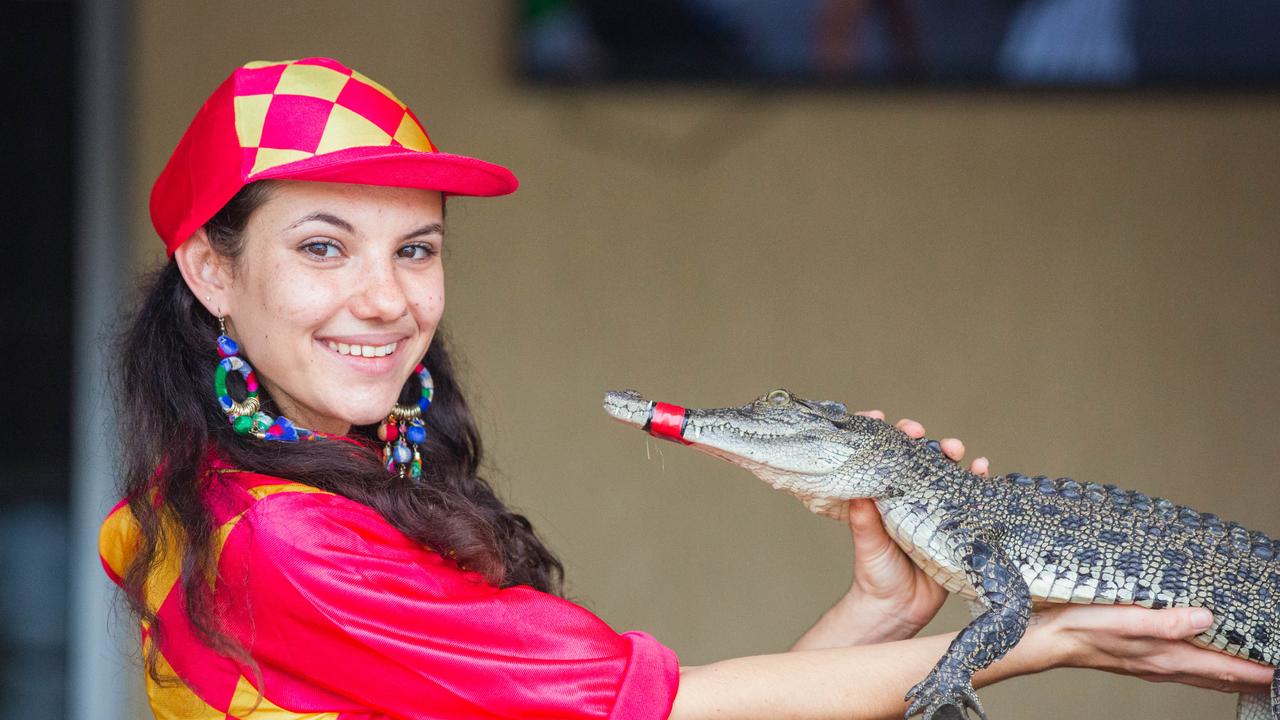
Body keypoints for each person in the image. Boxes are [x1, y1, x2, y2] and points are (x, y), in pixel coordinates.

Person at [99, 57, 1270, 719]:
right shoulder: (281, 541)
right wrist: (1043, 644)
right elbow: (662, 712)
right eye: (320, 246)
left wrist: (886, 605)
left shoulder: (268, 488)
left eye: (416, 248)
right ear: (211, 267)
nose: (385, 299)